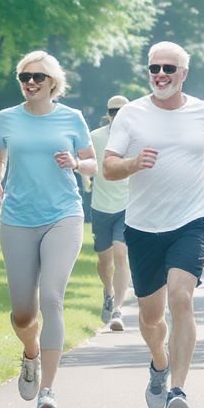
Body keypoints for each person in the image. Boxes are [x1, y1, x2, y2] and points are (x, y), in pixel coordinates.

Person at [103, 42, 204, 408]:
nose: (161, 74)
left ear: (183, 73)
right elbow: (108, 168)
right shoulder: (131, 114)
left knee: (181, 298)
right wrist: (133, 163)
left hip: (191, 221)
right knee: (150, 318)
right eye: (154, 68)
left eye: (169, 69)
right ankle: (159, 363)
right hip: (143, 227)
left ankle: (178, 389)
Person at [0, 51, 95, 408]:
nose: (30, 82)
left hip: (63, 216)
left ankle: (48, 389)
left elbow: (93, 162)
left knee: (51, 298)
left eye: (37, 77)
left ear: (52, 82)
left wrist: (77, 163)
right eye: (24, 77)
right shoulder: (6, 118)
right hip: (17, 219)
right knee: (22, 314)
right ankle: (30, 353)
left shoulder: (72, 118)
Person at [89, 95, 132, 331]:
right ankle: (108, 291)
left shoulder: (136, 138)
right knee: (104, 262)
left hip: (126, 206)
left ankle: (117, 309)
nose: (117, 115)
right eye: (113, 111)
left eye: (121, 111)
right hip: (101, 207)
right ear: (108, 114)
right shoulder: (96, 137)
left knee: (121, 254)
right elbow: (86, 162)